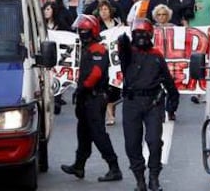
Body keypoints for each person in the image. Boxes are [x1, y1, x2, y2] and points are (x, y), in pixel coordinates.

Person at [117, 18, 179, 191]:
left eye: (144, 34)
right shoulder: (128, 54)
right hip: (131, 103)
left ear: (151, 34)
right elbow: (122, 47)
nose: (141, 37)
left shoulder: (157, 56)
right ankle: (139, 179)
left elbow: (168, 80)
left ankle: (154, 177)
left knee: (153, 141)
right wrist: (123, 39)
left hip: (153, 102)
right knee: (132, 143)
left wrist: (173, 103)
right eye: (137, 34)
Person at [61, 15, 122, 182]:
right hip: (86, 97)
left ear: (91, 32)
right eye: (79, 30)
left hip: (94, 97)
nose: (80, 33)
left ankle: (114, 167)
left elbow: (95, 74)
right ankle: (79, 166)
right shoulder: (88, 48)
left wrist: (82, 88)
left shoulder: (98, 49)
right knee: (83, 132)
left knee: (98, 133)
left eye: (83, 31)